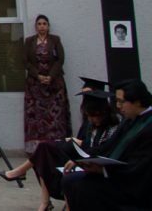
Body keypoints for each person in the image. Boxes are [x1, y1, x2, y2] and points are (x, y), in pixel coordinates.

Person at [0, 88, 120, 210]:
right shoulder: (91, 125)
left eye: (94, 116)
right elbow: (88, 143)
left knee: (46, 154)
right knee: (44, 149)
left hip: (95, 164)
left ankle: (22, 175)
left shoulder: (113, 128)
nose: (91, 120)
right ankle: (44, 201)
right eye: (89, 116)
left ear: (103, 113)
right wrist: (76, 142)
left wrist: (80, 149)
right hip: (83, 157)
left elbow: (102, 148)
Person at [62, 79, 152, 210]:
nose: (118, 106)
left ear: (137, 101)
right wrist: (83, 158)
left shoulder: (148, 126)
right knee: (70, 181)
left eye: (121, 101)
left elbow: (140, 167)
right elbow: (108, 146)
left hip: (136, 185)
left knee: (84, 187)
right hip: (119, 175)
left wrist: (103, 170)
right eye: (117, 101)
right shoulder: (129, 120)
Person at [24, 14, 70, 154]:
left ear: (48, 26)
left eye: (44, 24)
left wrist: (50, 76)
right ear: (35, 27)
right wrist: (38, 76)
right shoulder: (29, 41)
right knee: (36, 116)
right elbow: (25, 61)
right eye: (39, 24)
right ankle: (36, 148)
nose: (42, 26)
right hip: (35, 84)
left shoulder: (55, 40)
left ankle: (57, 145)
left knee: (56, 117)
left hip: (54, 84)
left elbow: (60, 59)